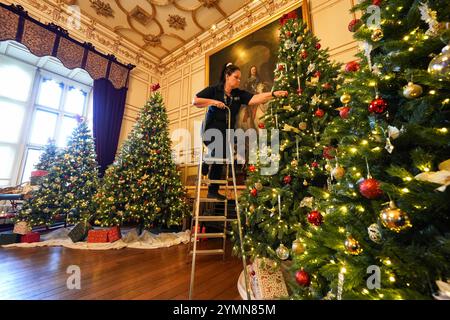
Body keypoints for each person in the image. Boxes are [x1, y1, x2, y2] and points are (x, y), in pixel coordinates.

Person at [193, 63, 288, 200]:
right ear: (227, 76)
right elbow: (195, 101)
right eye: (236, 77)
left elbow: (256, 98)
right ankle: (207, 161)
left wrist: (273, 94)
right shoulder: (214, 90)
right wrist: (213, 102)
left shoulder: (238, 94)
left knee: (223, 154)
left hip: (227, 132)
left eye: (240, 78)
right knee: (219, 148)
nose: (239, 80)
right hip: (211, 129)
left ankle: (212, 188)